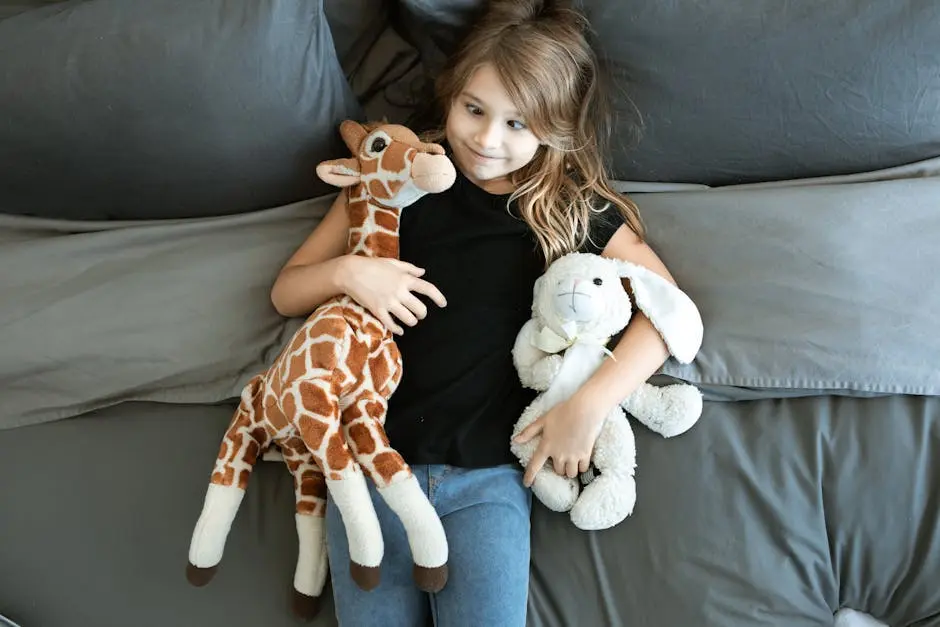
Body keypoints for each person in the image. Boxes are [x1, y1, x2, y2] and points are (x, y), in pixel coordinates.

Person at [269, 1, 682, 625]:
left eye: (519, 124)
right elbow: (286, 291)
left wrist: (590, 404)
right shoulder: (395, 178)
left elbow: (669, 309)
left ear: (557, 127)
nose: (488, 140)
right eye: (474, 110)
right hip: (367, 471)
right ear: (451, 93)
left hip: (489, 483)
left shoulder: (566, 207)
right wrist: (350, 272)